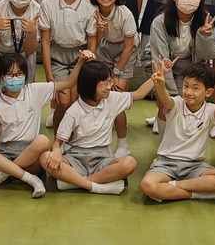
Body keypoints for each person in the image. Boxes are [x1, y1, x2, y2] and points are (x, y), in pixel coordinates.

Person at [0, 52, 89, 197]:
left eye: (19, 74)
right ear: (1, 76)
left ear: (25, 75)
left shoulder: (35, 91)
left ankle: (2, 175)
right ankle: (30, 179)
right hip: (4, 154)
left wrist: (80, 61)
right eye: (9, 74)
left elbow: (68, 83)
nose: (15, 78)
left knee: (42, 140)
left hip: (30, 153)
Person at [40, 61, 158, 195]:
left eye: (110, 82)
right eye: (104, 84)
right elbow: (57, 142)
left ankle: (76, 182)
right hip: (76, 157)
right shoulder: (73, 111)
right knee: (45, 157)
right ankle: (98, 186)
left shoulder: (112, 98)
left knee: (129, 163)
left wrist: (157, 76)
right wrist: (56, 151)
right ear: (89, 85)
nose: (109, 87)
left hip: (103, 157)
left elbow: (139, 94)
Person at [140, 63, 215, 202]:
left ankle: (171, 187)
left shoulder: (210, 111)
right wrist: (160, 86)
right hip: (166, 163)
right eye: (186, 86)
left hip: (195, 166)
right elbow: (166, 99)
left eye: (195, 88)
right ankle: (199, 194)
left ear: (208, 92)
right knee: (147, 185)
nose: (188, 92)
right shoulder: (176, 104)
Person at [147, 0, 215, 134]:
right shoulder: (160, 21)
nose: (189, 0)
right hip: (160, 64)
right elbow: (159, 59)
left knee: (190, 99)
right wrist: (173, 98)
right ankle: (162, 124)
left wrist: (205, 36)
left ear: (201, 0)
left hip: (189, 66)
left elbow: (208, 55)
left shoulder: (205, 20)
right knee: (167, 102)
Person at [39, 0, 99, 130]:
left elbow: (92, 43)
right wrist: (49, 76)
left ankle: (73, 135)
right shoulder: (47, 4)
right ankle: (59, 135)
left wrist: (88, 67)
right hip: (57, 55)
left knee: (75, 100)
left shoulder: (90, 7)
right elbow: (45, 43)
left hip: (80, 56)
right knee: (64, 102)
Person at [89, 0, 136, 157]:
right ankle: (99, 138)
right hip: (104, 47)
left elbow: (128, 48)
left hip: (125, 51)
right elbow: (94, 44)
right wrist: (100, 31)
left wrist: (116, 73)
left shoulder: (125, 14)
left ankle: (123, 144)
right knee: (98, 92)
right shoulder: (92, 11)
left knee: (117, 96)